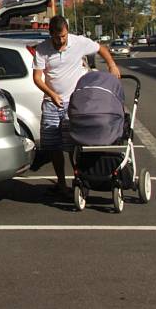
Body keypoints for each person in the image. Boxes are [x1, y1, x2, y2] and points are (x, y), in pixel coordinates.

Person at [32, 15, 119, 196]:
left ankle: (80, 182)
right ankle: (62, 184)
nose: (61, 40)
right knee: (53, 147)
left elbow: (100, 48)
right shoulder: (42, 50)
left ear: (67, 32)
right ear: (50, 34)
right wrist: (52, 94)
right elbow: (37, 78)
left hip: (75, 103)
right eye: (57, 37)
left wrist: (112, 65)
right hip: (51, 103)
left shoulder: (78, 42)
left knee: (74, 144)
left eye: (63, 36)